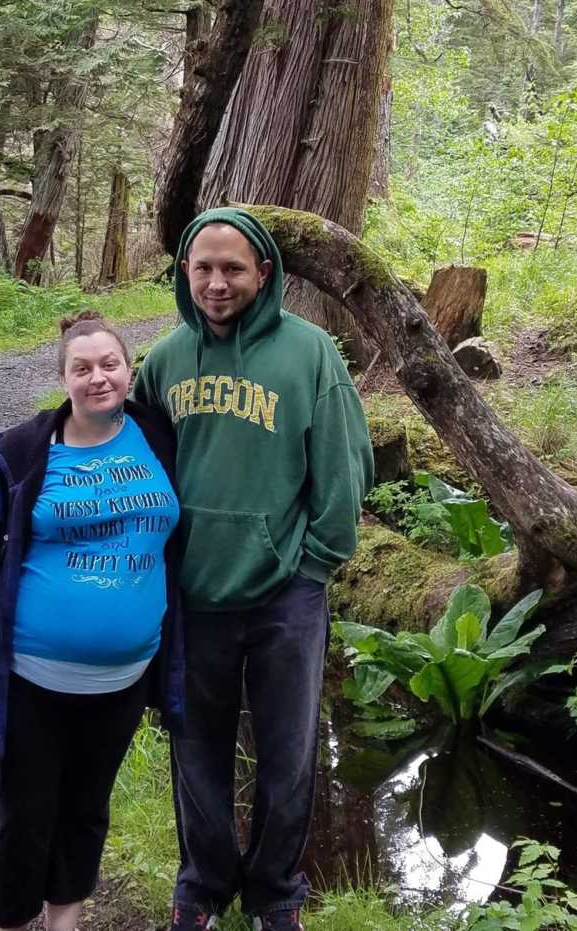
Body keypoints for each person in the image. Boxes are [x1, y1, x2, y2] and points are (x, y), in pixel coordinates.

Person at [133, 207, 374, 931]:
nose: (216, 282)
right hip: (195, 592)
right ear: (184, 271)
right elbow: (136, 467)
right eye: (202, 267)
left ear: (264, 272)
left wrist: (316, 564)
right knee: (195, 749)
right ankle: (201, 887)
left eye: (233, 268)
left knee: (289, 751)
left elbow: (344, 464)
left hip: (285, 594)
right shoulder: (166, 360)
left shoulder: (309, 353)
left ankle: (275, 893)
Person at [0, 311, 184, 931]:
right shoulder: (23, 453)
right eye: (82, 368)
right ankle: (14, 921)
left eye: (110, 364)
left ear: (129, 370)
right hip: (30, 677)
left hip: (123, 680)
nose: (99, 378)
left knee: (86, 808)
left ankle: (62, 923)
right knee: (22, 811)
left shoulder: (159, 437)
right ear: (63, 378)